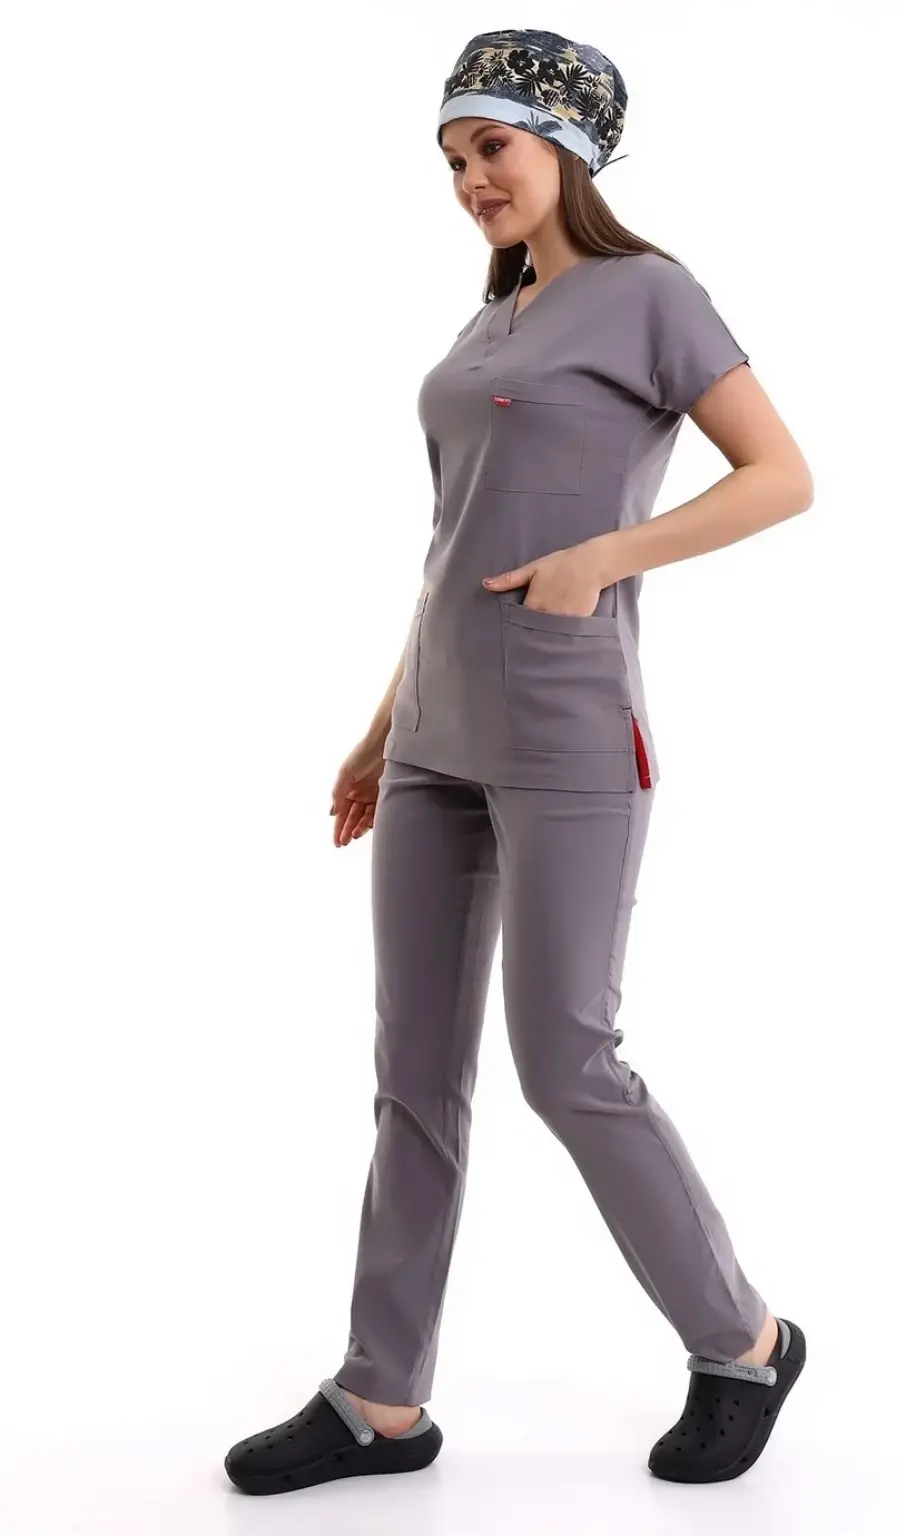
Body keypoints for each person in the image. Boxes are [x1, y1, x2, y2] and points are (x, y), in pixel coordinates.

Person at [224, 26, 812, 1498]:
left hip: (563, 726)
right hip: (435, 741)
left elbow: (781, 476)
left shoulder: (649, 294)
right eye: (452, 158)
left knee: (567, 1061)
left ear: (569, 147)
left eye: (492, 145)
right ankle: (381, 1399)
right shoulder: (489, 323)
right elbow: (450, 547)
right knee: (413, 1073)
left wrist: (603, 558)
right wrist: (381, 732)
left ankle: (744, 1342)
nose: (471, 178)